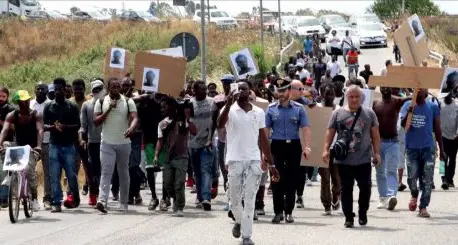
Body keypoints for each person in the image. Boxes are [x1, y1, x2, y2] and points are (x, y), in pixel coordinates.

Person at [218, 81, 277, 245]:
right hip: (235, 160)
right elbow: (219, 124)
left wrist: (271, 164)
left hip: (253, 160)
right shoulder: (229, 110)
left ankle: (246, 236)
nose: (242, 91)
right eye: (239, 89)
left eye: (245, 88)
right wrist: (229, 103)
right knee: (234, 199)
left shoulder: (258, 112)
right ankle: (238, 220)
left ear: (250, 91)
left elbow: (263, 138)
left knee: (250, 199)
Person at [323, 85, 381, 228]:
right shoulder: (338, 114)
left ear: (361, 98)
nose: (354, 99)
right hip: (343, 160)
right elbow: (329, 133)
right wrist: (325, 150)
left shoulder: (369, 114)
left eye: (357, 96)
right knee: (346, 189)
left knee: (365, 188)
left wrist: (377, 153)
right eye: (351, 96)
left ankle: (362, 212)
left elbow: (375, 136)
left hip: (364, 160)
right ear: (346, 97)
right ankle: (348, 217)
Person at [266, 79, 311, 224]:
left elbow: (305, 128)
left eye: (283, 91)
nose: (280, 94)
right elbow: (265, 131)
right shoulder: (271, 108)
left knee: (292, 179)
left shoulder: (298, 108)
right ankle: (278, 212)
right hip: (277, 146)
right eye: (278, 91)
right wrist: (264, 153)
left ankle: (289, 211)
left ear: (289, 91)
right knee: (276, 178)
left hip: (293, 145)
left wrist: (307, 147)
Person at [94, 77, 138, 213]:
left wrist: (131, 128)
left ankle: (124, 202)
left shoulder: (128, 101)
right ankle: (102, 200)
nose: (116, 89)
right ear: (108, 88)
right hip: (107, 143)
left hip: (124, 143)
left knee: (123, 172)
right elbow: (96, 121)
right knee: (106, 172)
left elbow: (135, 117)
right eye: (113, 86)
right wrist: (108, 110)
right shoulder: (101, 101)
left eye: (118, 86)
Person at [400, 88, 446, 218]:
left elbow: (437, 128)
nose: (421, 92)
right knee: (412, 177)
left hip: (428, 149)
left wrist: (441, 150)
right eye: (418, 89)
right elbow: (403, 125)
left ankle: (423, 206)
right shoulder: (407, 105)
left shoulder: (432, 107)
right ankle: (414, 194)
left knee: (427, 180)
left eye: (424, 89)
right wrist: (409, 112)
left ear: (427, 93)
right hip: (412, 149)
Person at [0, 90, 43, 212]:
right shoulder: (12, 115)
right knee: (6, 145)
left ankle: (34, 199)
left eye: (27, 101)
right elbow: (5, 130)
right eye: (22, 102)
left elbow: (40, 131)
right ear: (18, 103)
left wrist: (39, 146)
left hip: (32, 148)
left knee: (29, 171)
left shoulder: (36, 114)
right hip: (18, 146)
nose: (25, 103)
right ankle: (9, 175)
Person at [43, 78, 81, 213]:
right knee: (54, 175)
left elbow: (78, 125)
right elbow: (43, 125)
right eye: (56, 89)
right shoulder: (49, 106)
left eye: (60, 89)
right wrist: (53, 127)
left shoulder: (72, 106)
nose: (58, 91)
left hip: (69, 145)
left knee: (71, 174)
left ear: (65, 89)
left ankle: (75, 198)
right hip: (54, 145)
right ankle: (56, 202)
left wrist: (65, 127)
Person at [154, 97, 197, 217]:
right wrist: (156, 155)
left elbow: (194, 131)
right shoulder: (162, 124)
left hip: (182, 157)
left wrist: (187, 118)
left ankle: (179, 206)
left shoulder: (182, 121)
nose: (162, 109)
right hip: (168, 158)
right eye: (161, 107)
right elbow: (160, 140)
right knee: (167, 184)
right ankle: (175, 199)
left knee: (179, 184)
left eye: (164, 107)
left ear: (172, 107)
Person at [372, 87, 411, 211]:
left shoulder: (396, 102)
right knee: (379, 172)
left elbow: (409, 98)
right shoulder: (375, 103)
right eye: (383, 88)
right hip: (378, 143)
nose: (386, 90)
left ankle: (391, 196)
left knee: (391, 170)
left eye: (388, 88)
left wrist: (416, 91)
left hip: (393, 142)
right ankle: (383, 198)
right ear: (381, 89)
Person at [189, 80, 215, 211]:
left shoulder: (212, 102)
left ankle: (206, 198)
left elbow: (215, 121)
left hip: (207, 142)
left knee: (206, 170)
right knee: (197, 172)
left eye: (205, 89)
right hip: (193, 143)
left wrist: (210, 138)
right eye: (202, 89)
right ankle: (200, 197)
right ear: (194, 91)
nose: (205, 91)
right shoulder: (190, 103)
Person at [79, 80, 104, 206]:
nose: (97, 92)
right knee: (93, 170)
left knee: (104, 170)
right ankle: (93, 194)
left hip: (107, 142)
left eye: (100, 89)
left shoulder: (109, 104)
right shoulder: (86, 105)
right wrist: (82, 138)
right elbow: (83, 126)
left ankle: (103, 195)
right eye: (95, 90)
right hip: (92, 142)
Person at [317, 83, 341, 215]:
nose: (329, 96)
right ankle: (326, 204)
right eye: (327, 93)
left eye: (331, 93)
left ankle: (336, 196)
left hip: (337, 149)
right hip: (322, 149)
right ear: (322, 94)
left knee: (337, 178)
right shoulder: (317, 108)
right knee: (325, 178)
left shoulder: (339, 110)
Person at [29, 82, 51, 210]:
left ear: (47, 91)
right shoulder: (30, 104)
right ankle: (30, 197)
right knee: (29, 170)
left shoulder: (50, 104)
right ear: (34, 90)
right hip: (32, 142)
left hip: (47, 141)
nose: (40, 91)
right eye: (38, 88)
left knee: (48, 172)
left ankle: (47, 198)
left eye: (43, 89)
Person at [71, 79, 90, 197]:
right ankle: (72, 190)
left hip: (86, 138)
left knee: (87, 165)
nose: (77, 91)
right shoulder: (70, 102)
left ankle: (87, 185)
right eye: (75, 89)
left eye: (80, 89)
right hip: (72, 138)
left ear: (84, 89)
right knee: (74, 165)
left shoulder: (89, 102)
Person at [440, 91, 458, 189]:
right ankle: (444, 179)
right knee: (443, 159)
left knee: (452, 160)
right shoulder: (439, 104)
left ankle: (450, 179)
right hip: (442, 136)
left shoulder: (456, 105)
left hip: (454, 137)